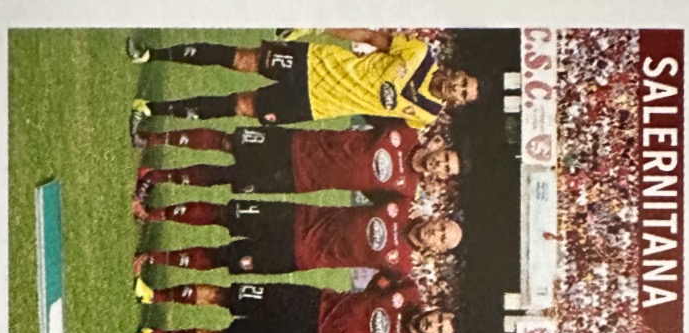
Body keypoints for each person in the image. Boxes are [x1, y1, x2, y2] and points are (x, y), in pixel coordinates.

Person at [127, 29, 479, 130]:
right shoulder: (419, 53)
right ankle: (151, 54)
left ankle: (151, 110)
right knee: (241, 59)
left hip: (316, 105)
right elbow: (371, 37)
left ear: (457, 103)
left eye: (463, 94)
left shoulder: (426, 114)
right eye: (463, 82)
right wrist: (320, 25)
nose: (457, 88)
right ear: (458, 72)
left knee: (240, 106)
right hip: (314, 63)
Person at [133, 272, 455, 333]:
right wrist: (366, 299)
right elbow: (384, 275)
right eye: (439, 318)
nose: (434, 324)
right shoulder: (409, 291)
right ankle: (155, 295)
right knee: (228, 296)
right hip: (310, 302)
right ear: (435, 310)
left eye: (439, 329)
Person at [132, 196, 462, 277]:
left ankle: (154, 259)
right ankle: (154, 214)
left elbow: (376, 298)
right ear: (436, 218)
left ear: (437, 249)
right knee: (225, 214)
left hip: (298, 257)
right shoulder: (399, 204)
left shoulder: (402, 266)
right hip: (296, 217)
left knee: (224, 257)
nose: (435, 232)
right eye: (441, 226)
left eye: (441, 239)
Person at [132, 125, 458, 199]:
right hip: (299, 143)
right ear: (439, 146)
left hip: (300, 181)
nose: (439, 165)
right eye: (445, 158)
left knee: (228, 177)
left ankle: (155, 177)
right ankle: (154, 138)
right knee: (229, 142)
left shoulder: (405, 190)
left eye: (445, 170)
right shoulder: (405, 131)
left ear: (441, 178)